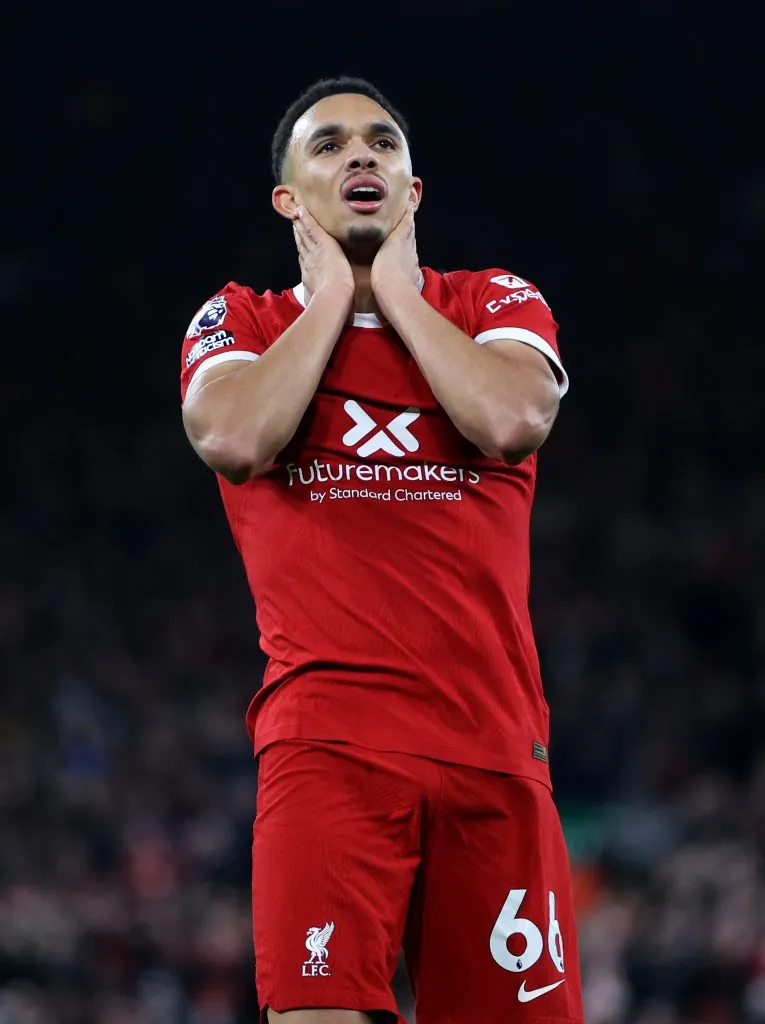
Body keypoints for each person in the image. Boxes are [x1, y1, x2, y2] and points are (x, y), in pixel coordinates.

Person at [180, 76, 583, 1024]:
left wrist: (394, 293)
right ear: (287, 199)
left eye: (381, 143)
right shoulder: (243, 321)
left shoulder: (492, 302)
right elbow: (236, 439)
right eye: (326, 145)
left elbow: (514, 419)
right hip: (326, 746)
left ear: (411, 189)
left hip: (491, 747)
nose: (359, 154)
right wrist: (332, 301)